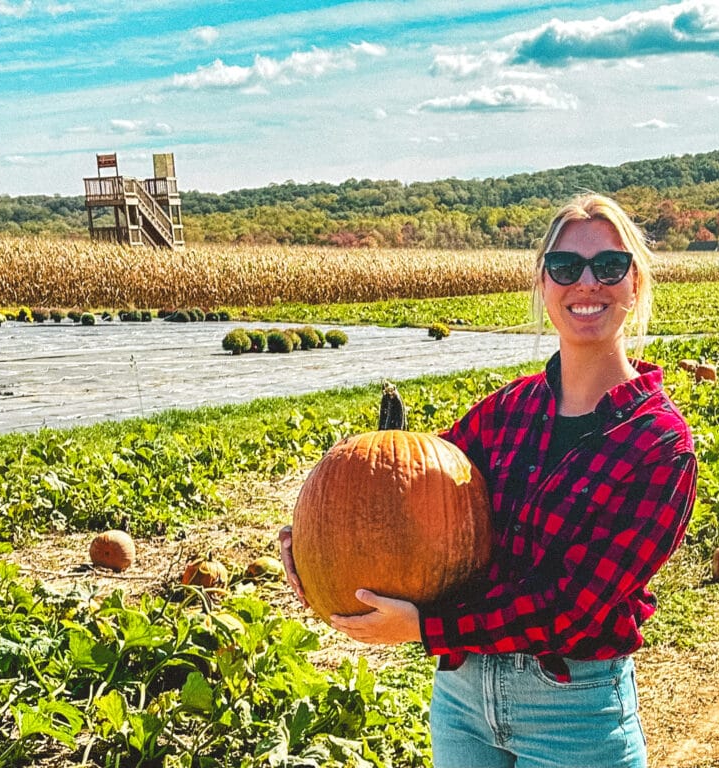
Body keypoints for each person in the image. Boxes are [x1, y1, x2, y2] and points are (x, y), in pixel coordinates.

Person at [280, 192, 697, 768]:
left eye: (609, 266)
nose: (586, 283)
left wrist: (428, 627)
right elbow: (401, 501)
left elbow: (571, 607)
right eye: (564, 266)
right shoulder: (506, 412)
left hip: (571, 711)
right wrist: (311, 541)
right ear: (544, 284)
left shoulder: (658, 444)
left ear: (636, 285)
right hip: (462, 697)